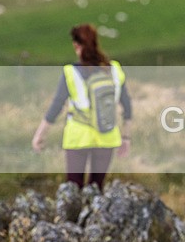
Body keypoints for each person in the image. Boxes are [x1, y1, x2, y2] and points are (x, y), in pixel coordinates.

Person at [32, 23, 132, 189]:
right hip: (107, 135)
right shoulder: (114, 69)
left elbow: (57, 105)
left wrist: (40, 134)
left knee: (74, 187)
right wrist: (126, 138)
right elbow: (127, 105)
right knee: (96, 188)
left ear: (76, 45)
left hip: (78, 136)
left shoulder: (71, 72)